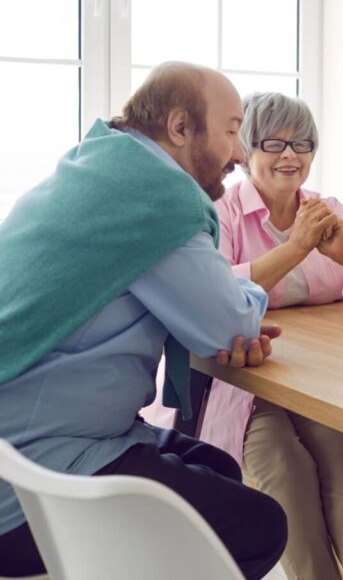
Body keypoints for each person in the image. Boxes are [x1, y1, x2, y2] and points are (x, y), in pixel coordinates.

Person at [0, 62, 287, 579]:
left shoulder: (100, 170)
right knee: (259, 526)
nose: (241, 154)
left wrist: (226, 297)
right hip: (33, 486)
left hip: (25, 446)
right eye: (230, 130)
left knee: (221, 468)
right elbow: (230, 326)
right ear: (180, 128)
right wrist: (239, 296)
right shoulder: (153, 198)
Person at [199, 92, 343, 580]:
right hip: (247, 381)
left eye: (303, 143)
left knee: (342, 452)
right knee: (283, 462)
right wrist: (296, 248)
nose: (291, 154)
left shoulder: (326, 210)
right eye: (275, 143)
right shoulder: (222, 213)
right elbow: (214, 291)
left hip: (318, 378)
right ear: (247, 150)